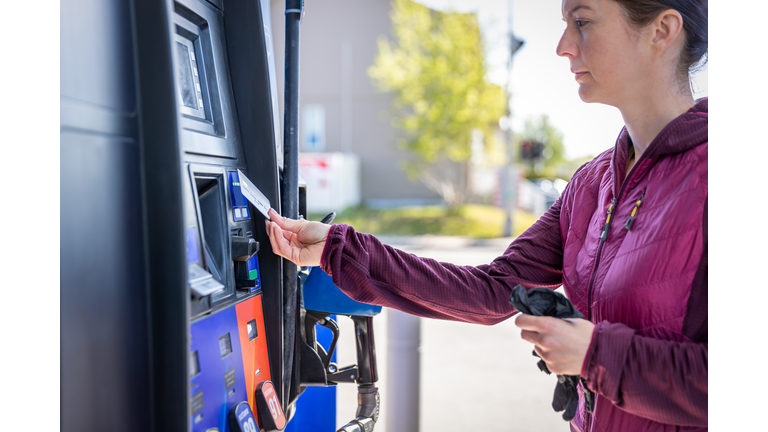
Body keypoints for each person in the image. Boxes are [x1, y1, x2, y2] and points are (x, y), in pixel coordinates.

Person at [266, 0, 708, 430]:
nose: (562, 45)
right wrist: (340, 251)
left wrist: (598, 356)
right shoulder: (592, 185)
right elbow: (494, 289)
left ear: (662, 31)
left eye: (583, 21)